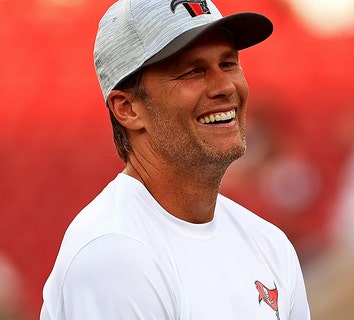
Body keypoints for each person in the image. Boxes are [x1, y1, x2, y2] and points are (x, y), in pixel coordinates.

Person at [41, 0, 311, 319]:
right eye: (192, 71)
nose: (225, 86)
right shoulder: (116, 253)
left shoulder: (269, 244)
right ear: (127, 109)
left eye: (228, 63)